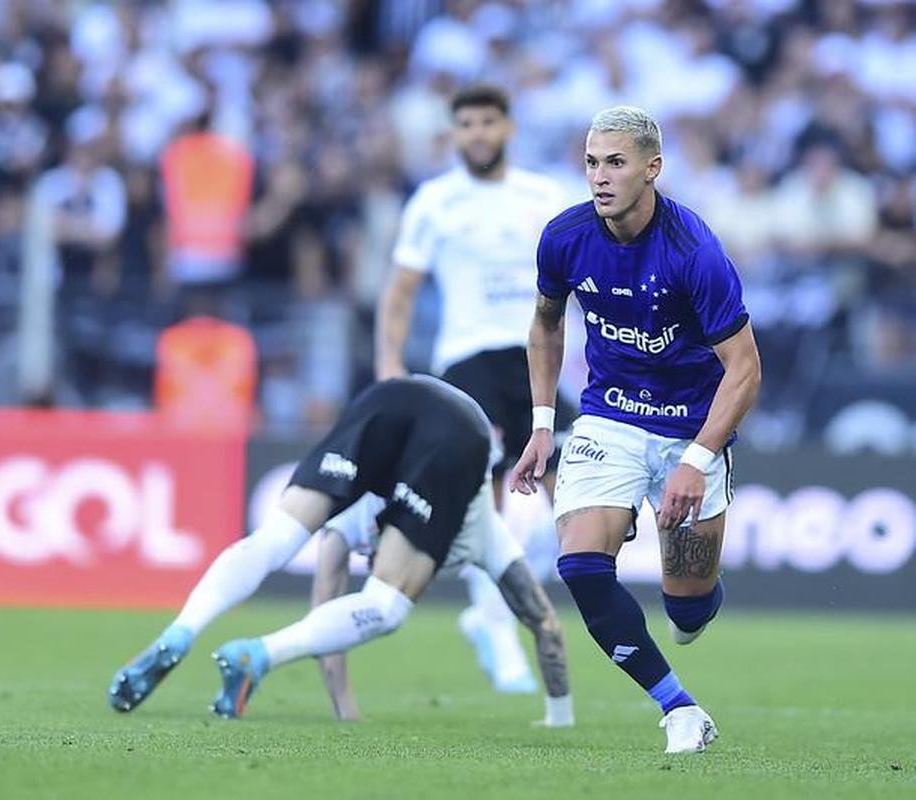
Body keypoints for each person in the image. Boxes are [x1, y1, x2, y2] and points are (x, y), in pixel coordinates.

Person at [511, 106, 762, 754]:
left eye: (616, 163)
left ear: (653, 168)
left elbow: (745, 369)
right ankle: (679, 707)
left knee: (687, 608)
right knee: (580, 565)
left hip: (690, 430)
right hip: (610, 417)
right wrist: (543, 424)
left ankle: (696, 602)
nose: (600, 176)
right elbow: (545, 324)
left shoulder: (694, 252)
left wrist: (697, 461)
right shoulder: (565, 237)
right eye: (592, 162)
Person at [110, 375, 570, 722]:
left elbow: (326, 594)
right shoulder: (488, 536)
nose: (369, 557)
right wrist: (559, 716)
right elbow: (545, 624)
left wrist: (342, 708)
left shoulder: (368, 511)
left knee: (275, 538)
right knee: (387, 605)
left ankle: (182, 630)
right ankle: (257, 654)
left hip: (387, 397)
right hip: (462, 432)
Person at [376, 84, 572, 693]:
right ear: (454, 133)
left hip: (535, 358)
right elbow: (401, 291)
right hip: (467, 360)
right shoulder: (435, 202)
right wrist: (389, 364)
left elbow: (581, 283)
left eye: (488, 121)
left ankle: (488, 614)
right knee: (490, 504)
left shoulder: (545, 196)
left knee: (574, 509)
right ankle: (498, 631)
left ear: (508, 127)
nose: (478, 133)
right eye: (466, 124)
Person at [311, 491, 573, 727]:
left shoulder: (485, 527)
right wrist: (346, 709)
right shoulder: (355, 515)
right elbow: (322, 613)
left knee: (540, 616)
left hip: (472, 518)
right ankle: (500, 650)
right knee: (383, 613)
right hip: (430, 518)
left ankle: (554, 710)